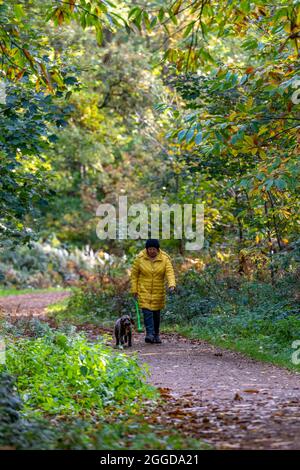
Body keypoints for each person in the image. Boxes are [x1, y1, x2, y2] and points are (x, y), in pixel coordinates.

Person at [130, 239, 176, 344]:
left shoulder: (164, 259)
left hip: (158, 291)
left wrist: (172, 284)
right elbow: (134, 275)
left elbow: (170, 273)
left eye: (153, 249)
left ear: (157, 249)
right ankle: (149, 334)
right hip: (143, 290)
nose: (151, 251)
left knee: (156, 314)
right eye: (149, 249)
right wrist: (134, 289)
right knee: (147, 313)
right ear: (146, 249)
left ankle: (156, 334)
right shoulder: (140, 258)